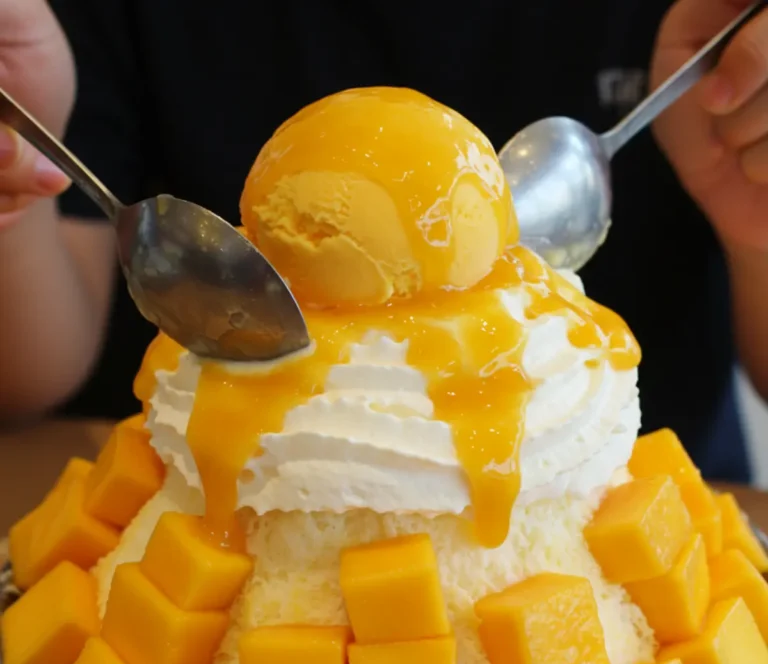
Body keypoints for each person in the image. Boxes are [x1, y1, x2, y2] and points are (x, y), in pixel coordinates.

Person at [0, 0, 767, 483]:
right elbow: (29, 373)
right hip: (193, 483)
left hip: (640, 492)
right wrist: (19, 173)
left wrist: (756, 224)